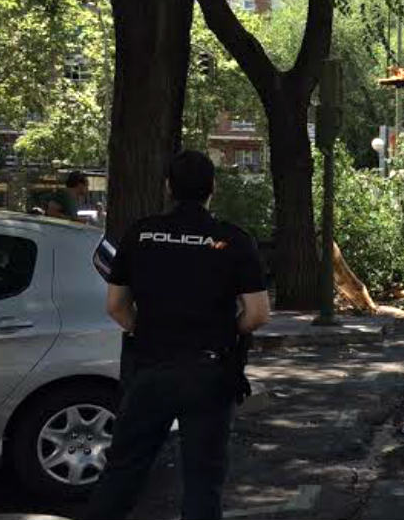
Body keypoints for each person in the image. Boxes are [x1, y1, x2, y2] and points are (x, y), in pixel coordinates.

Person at [84, 151, 271, 520]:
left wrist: (145, 327)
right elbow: (258, 313)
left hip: (150, 367)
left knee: (124, 470)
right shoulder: (233, 240)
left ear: (169, 187)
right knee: (203, 479)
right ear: (212, 188)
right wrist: (227, 330)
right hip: (209, 372)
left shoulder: (140, 234)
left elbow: (116, 306)